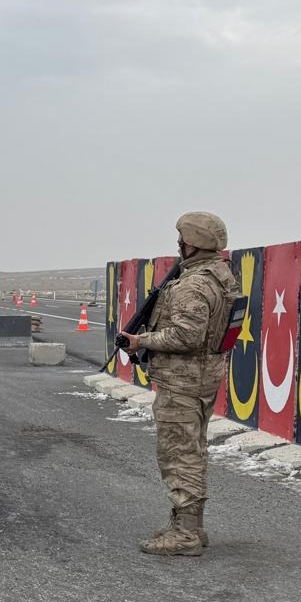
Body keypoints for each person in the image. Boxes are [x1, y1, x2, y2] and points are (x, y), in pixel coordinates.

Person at [118, 211, 238, 556]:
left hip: (183, 380)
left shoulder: (194, 285)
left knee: (178, 454)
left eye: (182, 239)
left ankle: (185, 535)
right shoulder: (220, 276)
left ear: (192, 244)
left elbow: (187, 335)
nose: (179, 244)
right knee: (191, 450)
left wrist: (143, 342)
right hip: (202, 376)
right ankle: (189, 526)